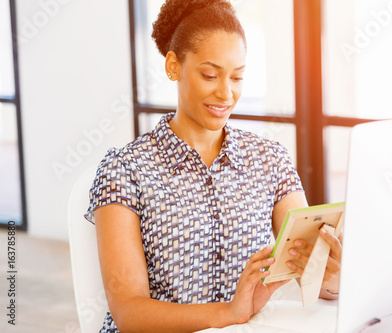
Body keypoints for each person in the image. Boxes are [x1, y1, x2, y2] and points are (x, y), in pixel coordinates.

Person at [84, 0, 342, 332]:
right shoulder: (125, 170)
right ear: (173, 67)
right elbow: (129, 314)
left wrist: (331, 276)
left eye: (237, 77)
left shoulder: (269, 159)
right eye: (210, 74)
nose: (226, 93)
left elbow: (310, 271)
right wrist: (228, 313)